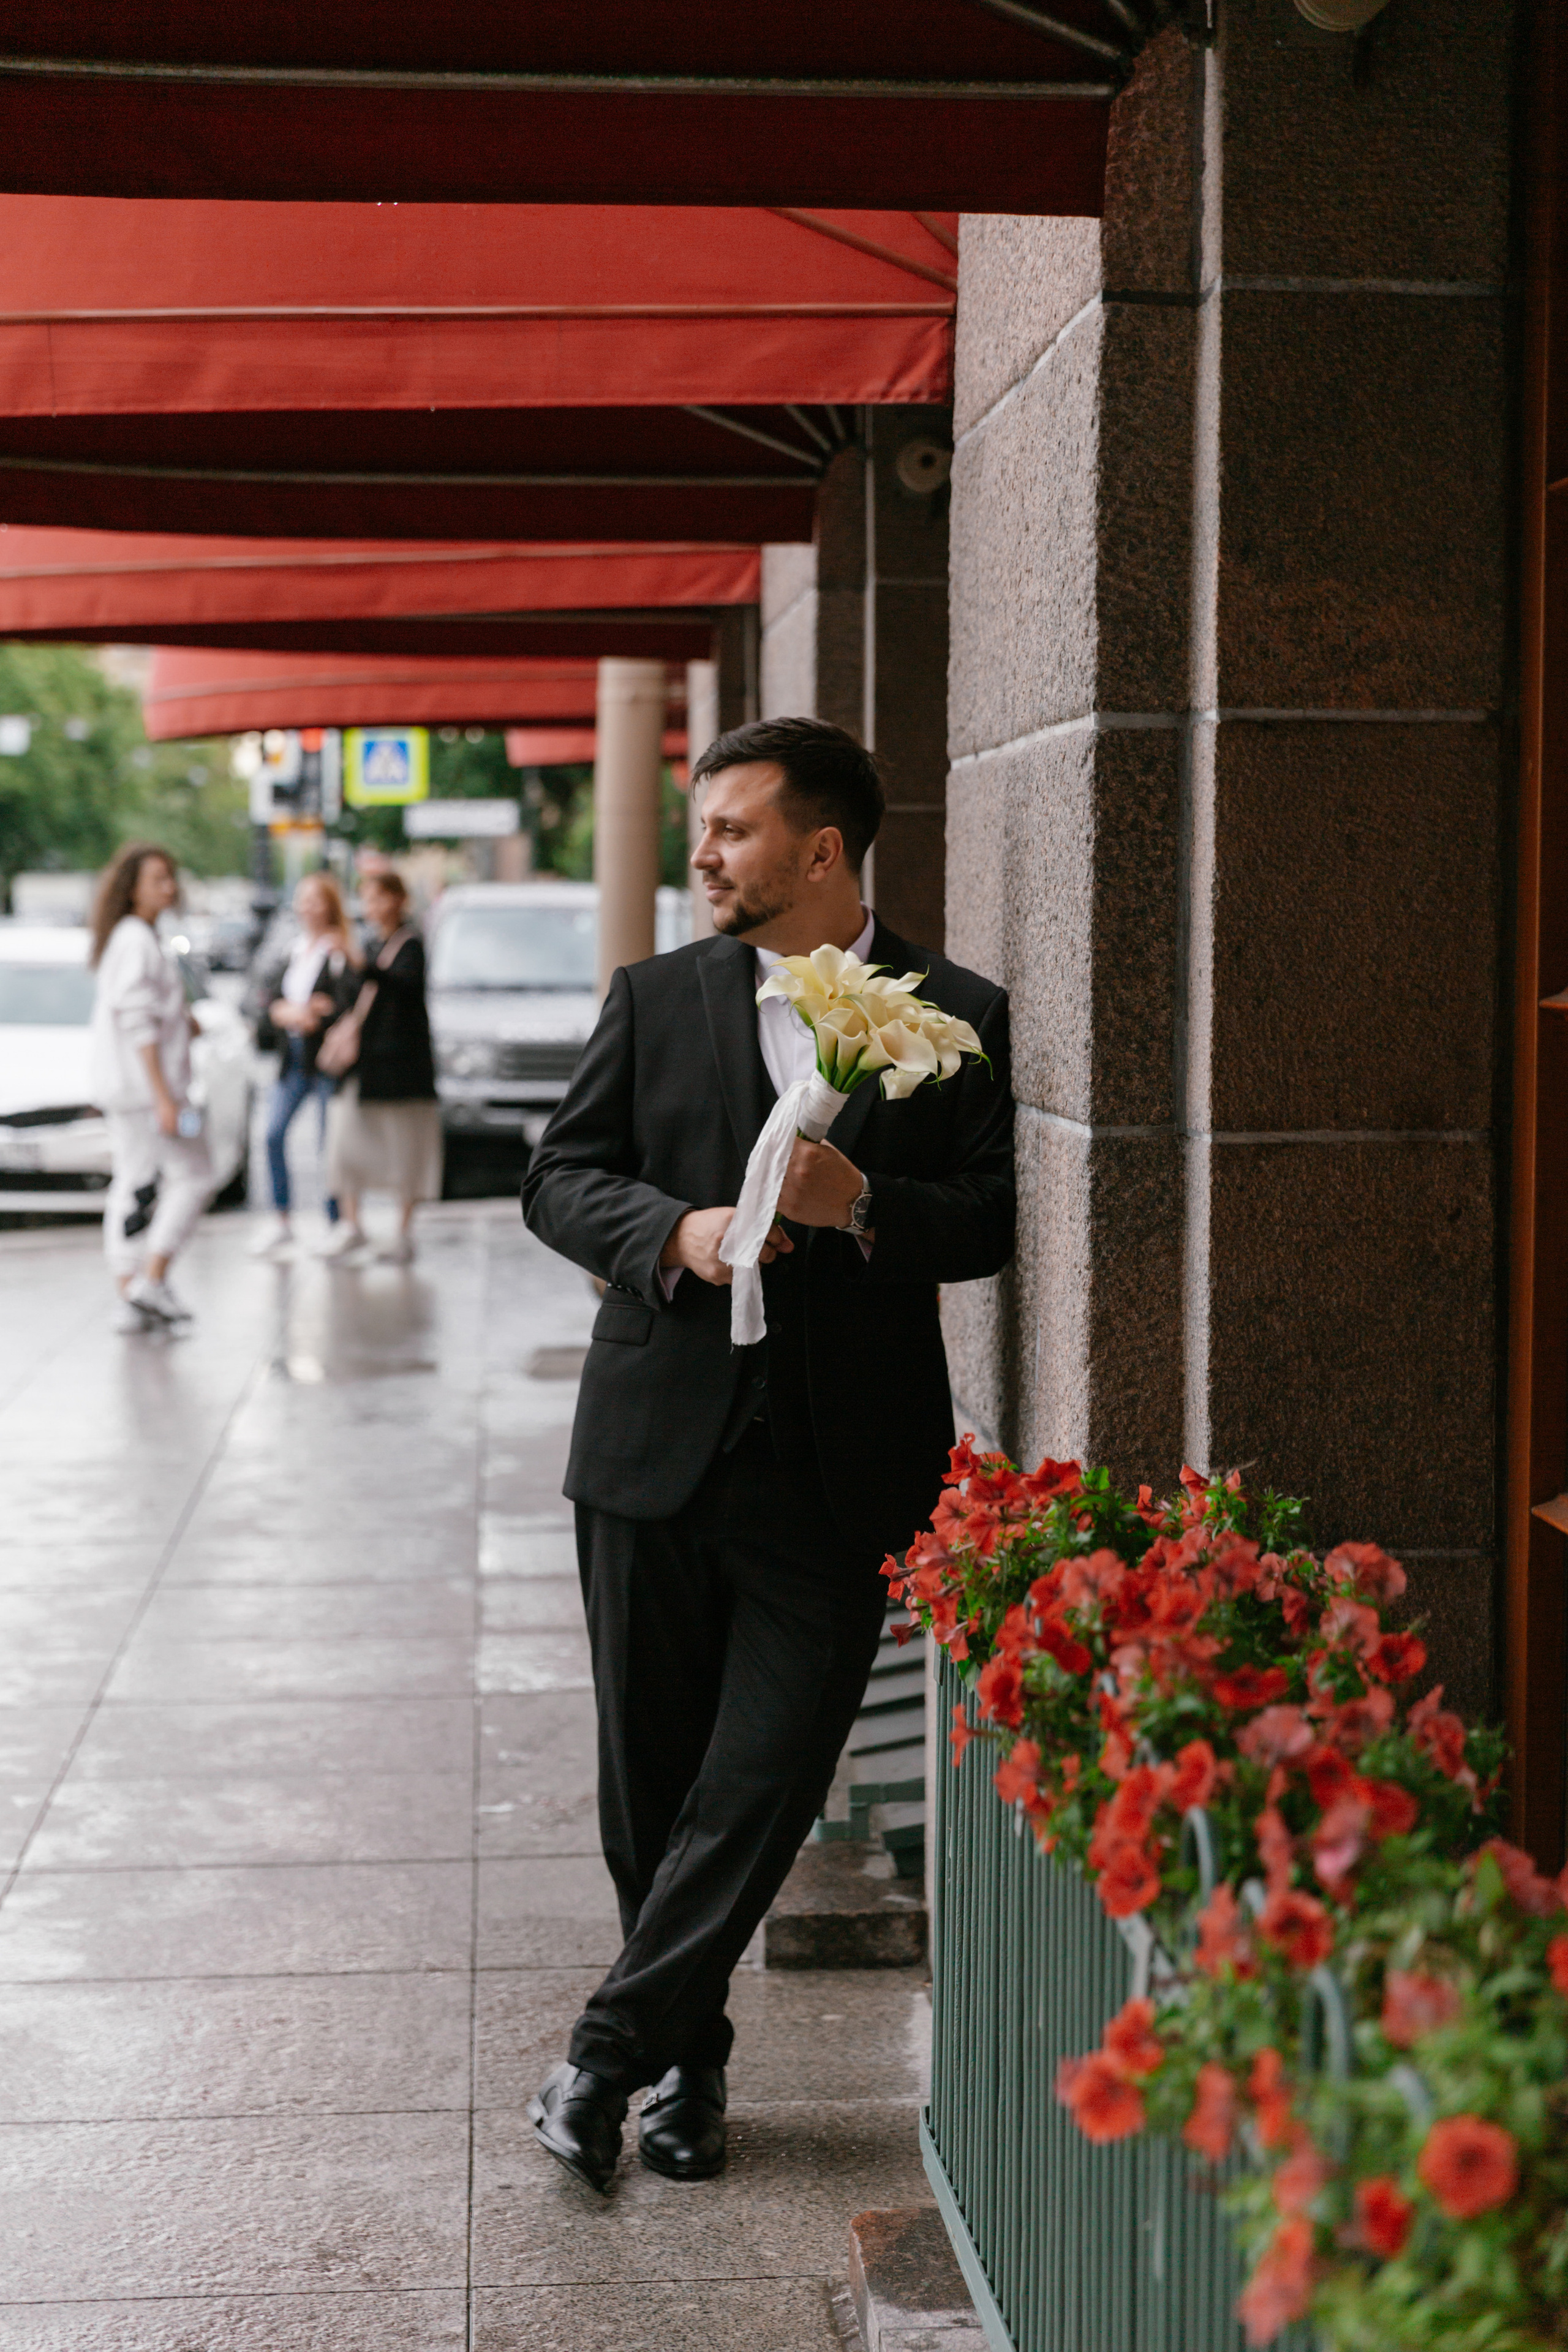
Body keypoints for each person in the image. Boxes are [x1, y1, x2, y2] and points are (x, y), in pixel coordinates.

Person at [520, 716, 1015, 2193]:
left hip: (836, 1467)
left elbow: (992, 1217)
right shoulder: (653, 997)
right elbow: (557, 1175)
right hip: (648, 1451)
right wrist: (659, 1232)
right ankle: (686, 2067)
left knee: (763, 1782)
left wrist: (864, 1200)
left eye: (732, 829)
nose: (705, 853)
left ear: (819, 850)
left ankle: (606, 2044)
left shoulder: (956, 1012)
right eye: (700, 828)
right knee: (651, 1789)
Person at [88, 841, 216, 1332]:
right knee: (170, 1178)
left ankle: (141, 1287)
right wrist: (164, 1095)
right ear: (133, 887)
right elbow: (137, 1021)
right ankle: (142, 1284)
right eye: (158, 878)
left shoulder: (141, 937)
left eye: (171, 877)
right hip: (144, 1092)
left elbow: (149, 1013)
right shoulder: (134, 940)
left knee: (147, 1179)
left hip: (143, 1089)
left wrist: (183, 1023)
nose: (169, 886)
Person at [322, 869, 442, 1262]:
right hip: (366, 1069)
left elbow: (402, 986)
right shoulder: (370, 944)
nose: (371, 908)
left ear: (397, 899)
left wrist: (359, 963)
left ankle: (403, 1232)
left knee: (407, 1148)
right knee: (345, 1144)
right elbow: (351, 997)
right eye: (367, 899)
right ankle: (351, 1225)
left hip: (402, 1072)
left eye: (377, 898)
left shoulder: (411, 945)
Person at [246, 872, 360, 1259]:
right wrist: (292, 1013)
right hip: (291, 1058)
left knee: (330, 1145)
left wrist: (313, 1014)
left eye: (315, 899)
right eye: (302, 899)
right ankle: (282, 1220)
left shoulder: (339, 951)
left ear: (330, 905)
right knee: (273, 1134)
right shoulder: (293, 950)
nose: (306, 907)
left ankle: (336, 1223)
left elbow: (345, 1005)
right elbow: (272, 1005)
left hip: (326, 1061)